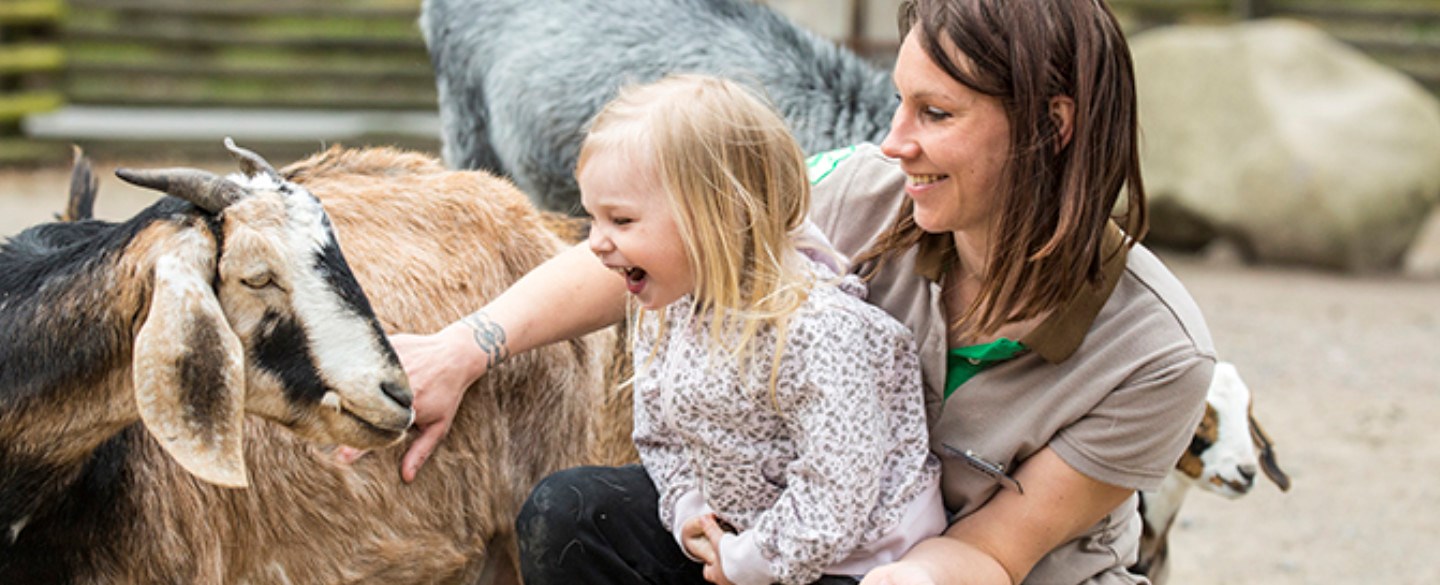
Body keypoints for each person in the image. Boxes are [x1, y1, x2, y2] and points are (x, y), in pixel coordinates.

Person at [387, 0, 1215, 583]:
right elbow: (670, 240)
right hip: (793, 540)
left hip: (954, 571)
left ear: (1051, 124)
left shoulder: (1155, 355)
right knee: (576, 516)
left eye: (935, 113)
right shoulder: (871, 188)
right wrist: (468, 346)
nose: (894, 142)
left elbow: (994, 553)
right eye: (898, 102)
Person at [522, 73, 946, 585]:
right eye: (593, 217)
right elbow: (660, 436)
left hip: (850, 559)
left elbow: (838, 493)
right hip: (739, 537)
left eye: (621, 221)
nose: (596, 242)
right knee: (569, 511)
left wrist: (749, 562)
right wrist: (690, 518)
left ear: (716, 218)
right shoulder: (668, 304)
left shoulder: (820, 333)